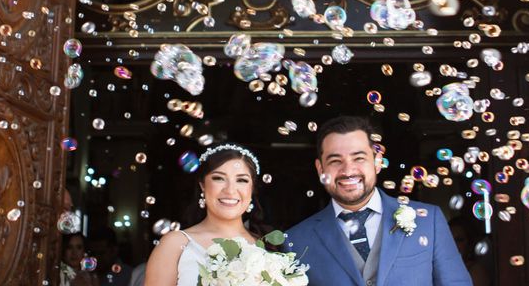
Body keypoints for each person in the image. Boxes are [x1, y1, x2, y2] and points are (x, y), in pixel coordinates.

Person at [286, 116, 472, 286]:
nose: (348, 170)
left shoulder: (428, 221)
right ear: (320, 169)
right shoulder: (296, 241)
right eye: (335, 161)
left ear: (377, 162)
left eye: (359, 158)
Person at [144, 143, 269, 285]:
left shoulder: (267, 247)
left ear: (252, 189)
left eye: (241, 180)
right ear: (202, 185)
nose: (230, 190)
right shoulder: (175, 244)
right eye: (218, 178)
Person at [449, 217, 491, 286]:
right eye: (450, 239)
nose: (453, 245)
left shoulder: (476, 272)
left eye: (459, 240)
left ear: (470, 243)